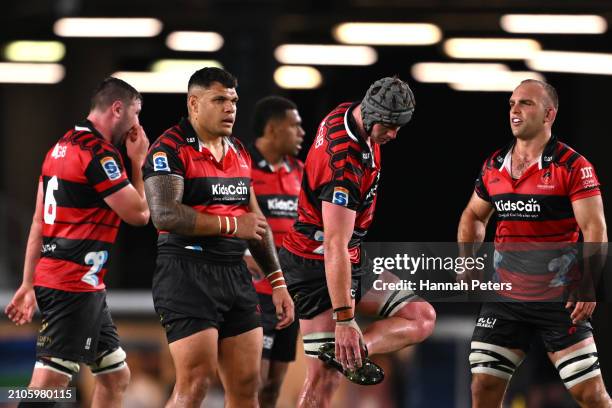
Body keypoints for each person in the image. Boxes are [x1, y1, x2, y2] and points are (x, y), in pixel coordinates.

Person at [142, 67, 294, 408]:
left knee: (246, 384)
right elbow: (164, 214)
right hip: (185, 271)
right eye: (220, 99)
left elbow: (256, 223)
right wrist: (229, 226)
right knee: (196, 382)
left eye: (234, 100)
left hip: (234, 274)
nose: (230, 108)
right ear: (194, 104)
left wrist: (278, 282)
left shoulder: (238, 151)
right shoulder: (169, 148)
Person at [280, 76, 436, 407]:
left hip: (347, 256)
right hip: (317, 264)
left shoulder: (347, 113)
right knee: (323, 381)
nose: (394, 135)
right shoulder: (344, 167)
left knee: (420, 317)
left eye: (399, 126)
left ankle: (346, 352)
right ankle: (343, 347)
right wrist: (344, 320)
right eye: (390, 126)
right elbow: (333, 245)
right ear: (373, 114)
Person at [458, 79, 611, 407]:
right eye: (512, 103)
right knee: (482, 386)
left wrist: (588, 284)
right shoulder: (493, 166)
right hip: (506, 299)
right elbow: (473, 215)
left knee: (591, 395)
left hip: (559, 300)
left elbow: (594, 228)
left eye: (525, 103)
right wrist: (468, 259)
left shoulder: (573, 166)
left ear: (548, 115)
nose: (515, 109)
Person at [4, 77, 150, 407]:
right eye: (136, 113)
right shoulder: (98, 155)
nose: (138, 124)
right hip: (73, 285)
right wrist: (139, 161)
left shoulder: (59, 149)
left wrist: (28, 283)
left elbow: (39, 223)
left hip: (74, 283)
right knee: (49, 385)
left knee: (115, 376)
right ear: (117, 109)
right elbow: (140, 214)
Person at [244, 95, 304, 407]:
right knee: (252, 383)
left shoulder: (301, 173)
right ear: (272, 129)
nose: (302, 132)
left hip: (288, 296)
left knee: (272, 388)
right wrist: (241, 254)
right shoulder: (243, 168)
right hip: (254, 295)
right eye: (295, 126)